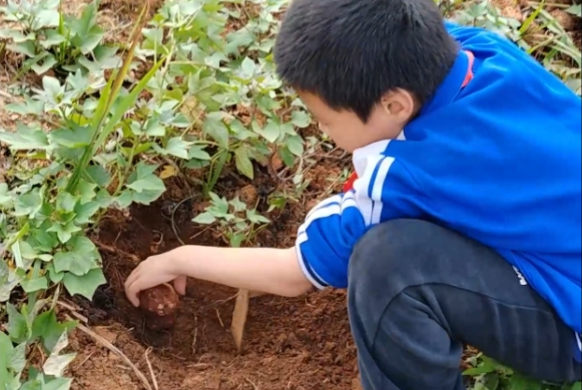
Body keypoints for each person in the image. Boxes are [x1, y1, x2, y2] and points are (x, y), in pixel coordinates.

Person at [124, 0, 582, 388]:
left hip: (572, 324)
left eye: (325, 119)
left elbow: (292, 274)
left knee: (388, 266)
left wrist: (178, 258)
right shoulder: (485, 52)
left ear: (394, 104)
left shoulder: (407, 174)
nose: (323, 132)